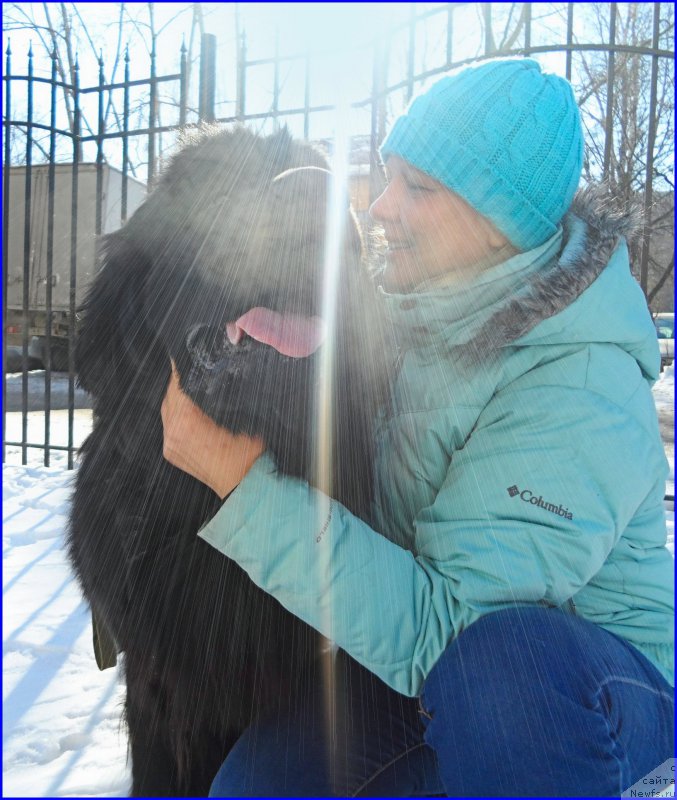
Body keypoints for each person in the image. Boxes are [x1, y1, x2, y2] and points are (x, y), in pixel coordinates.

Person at [161, 57, 674, 797]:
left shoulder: (579, 384)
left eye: (419, 188)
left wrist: (241, 486)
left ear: (500, 229)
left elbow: (455, 635)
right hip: (449, 675)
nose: (379, 208)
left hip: (595, 701)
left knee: (508, 663)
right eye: (389, 174)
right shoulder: (417, 311)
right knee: (255, 787)